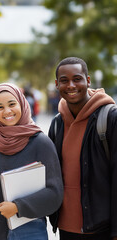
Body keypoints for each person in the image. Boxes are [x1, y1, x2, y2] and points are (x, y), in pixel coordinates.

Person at [0, 83, 63, 240]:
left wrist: (18, 207)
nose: (7, 111)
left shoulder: (41, 142)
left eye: (12, 104)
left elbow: (55, 194)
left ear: (23, 103)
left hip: (30, 231)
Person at [48, 57, 117, 240]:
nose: (71, 85)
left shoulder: (110, 118)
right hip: (65, 228)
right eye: (64, 80)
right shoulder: (57, 124)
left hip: (101, 227)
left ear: (88, 80)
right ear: (57, 84)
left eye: (77, 79)